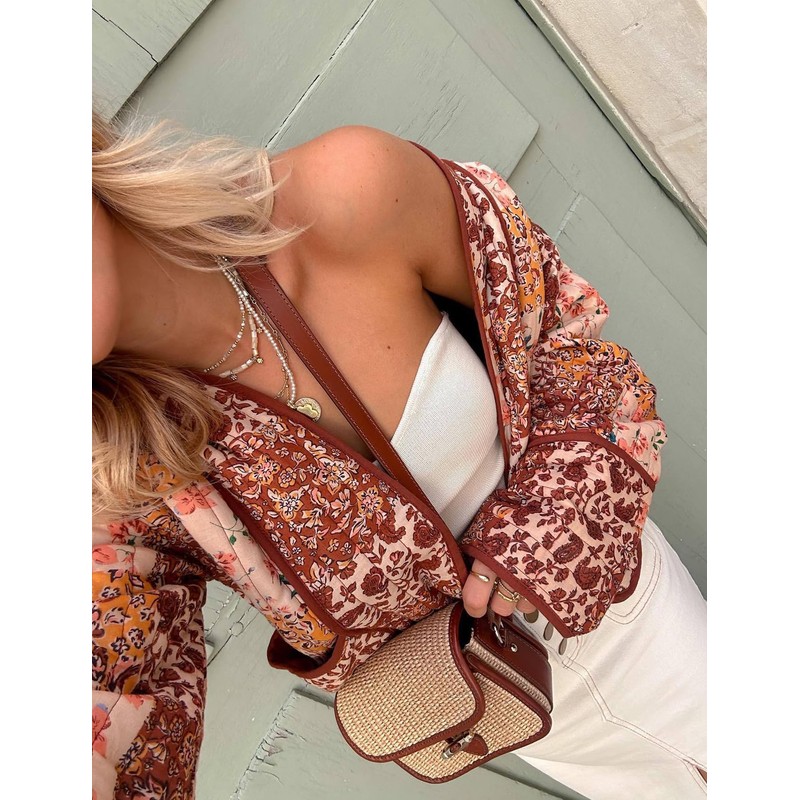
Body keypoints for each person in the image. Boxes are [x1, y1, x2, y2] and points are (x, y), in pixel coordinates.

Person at [92, 111, 707, 800]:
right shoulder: (120, 488)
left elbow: (565, 332)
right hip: (519, 710)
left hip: (632, 615)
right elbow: (109, 693)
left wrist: (540, 538)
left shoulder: (345, 192)